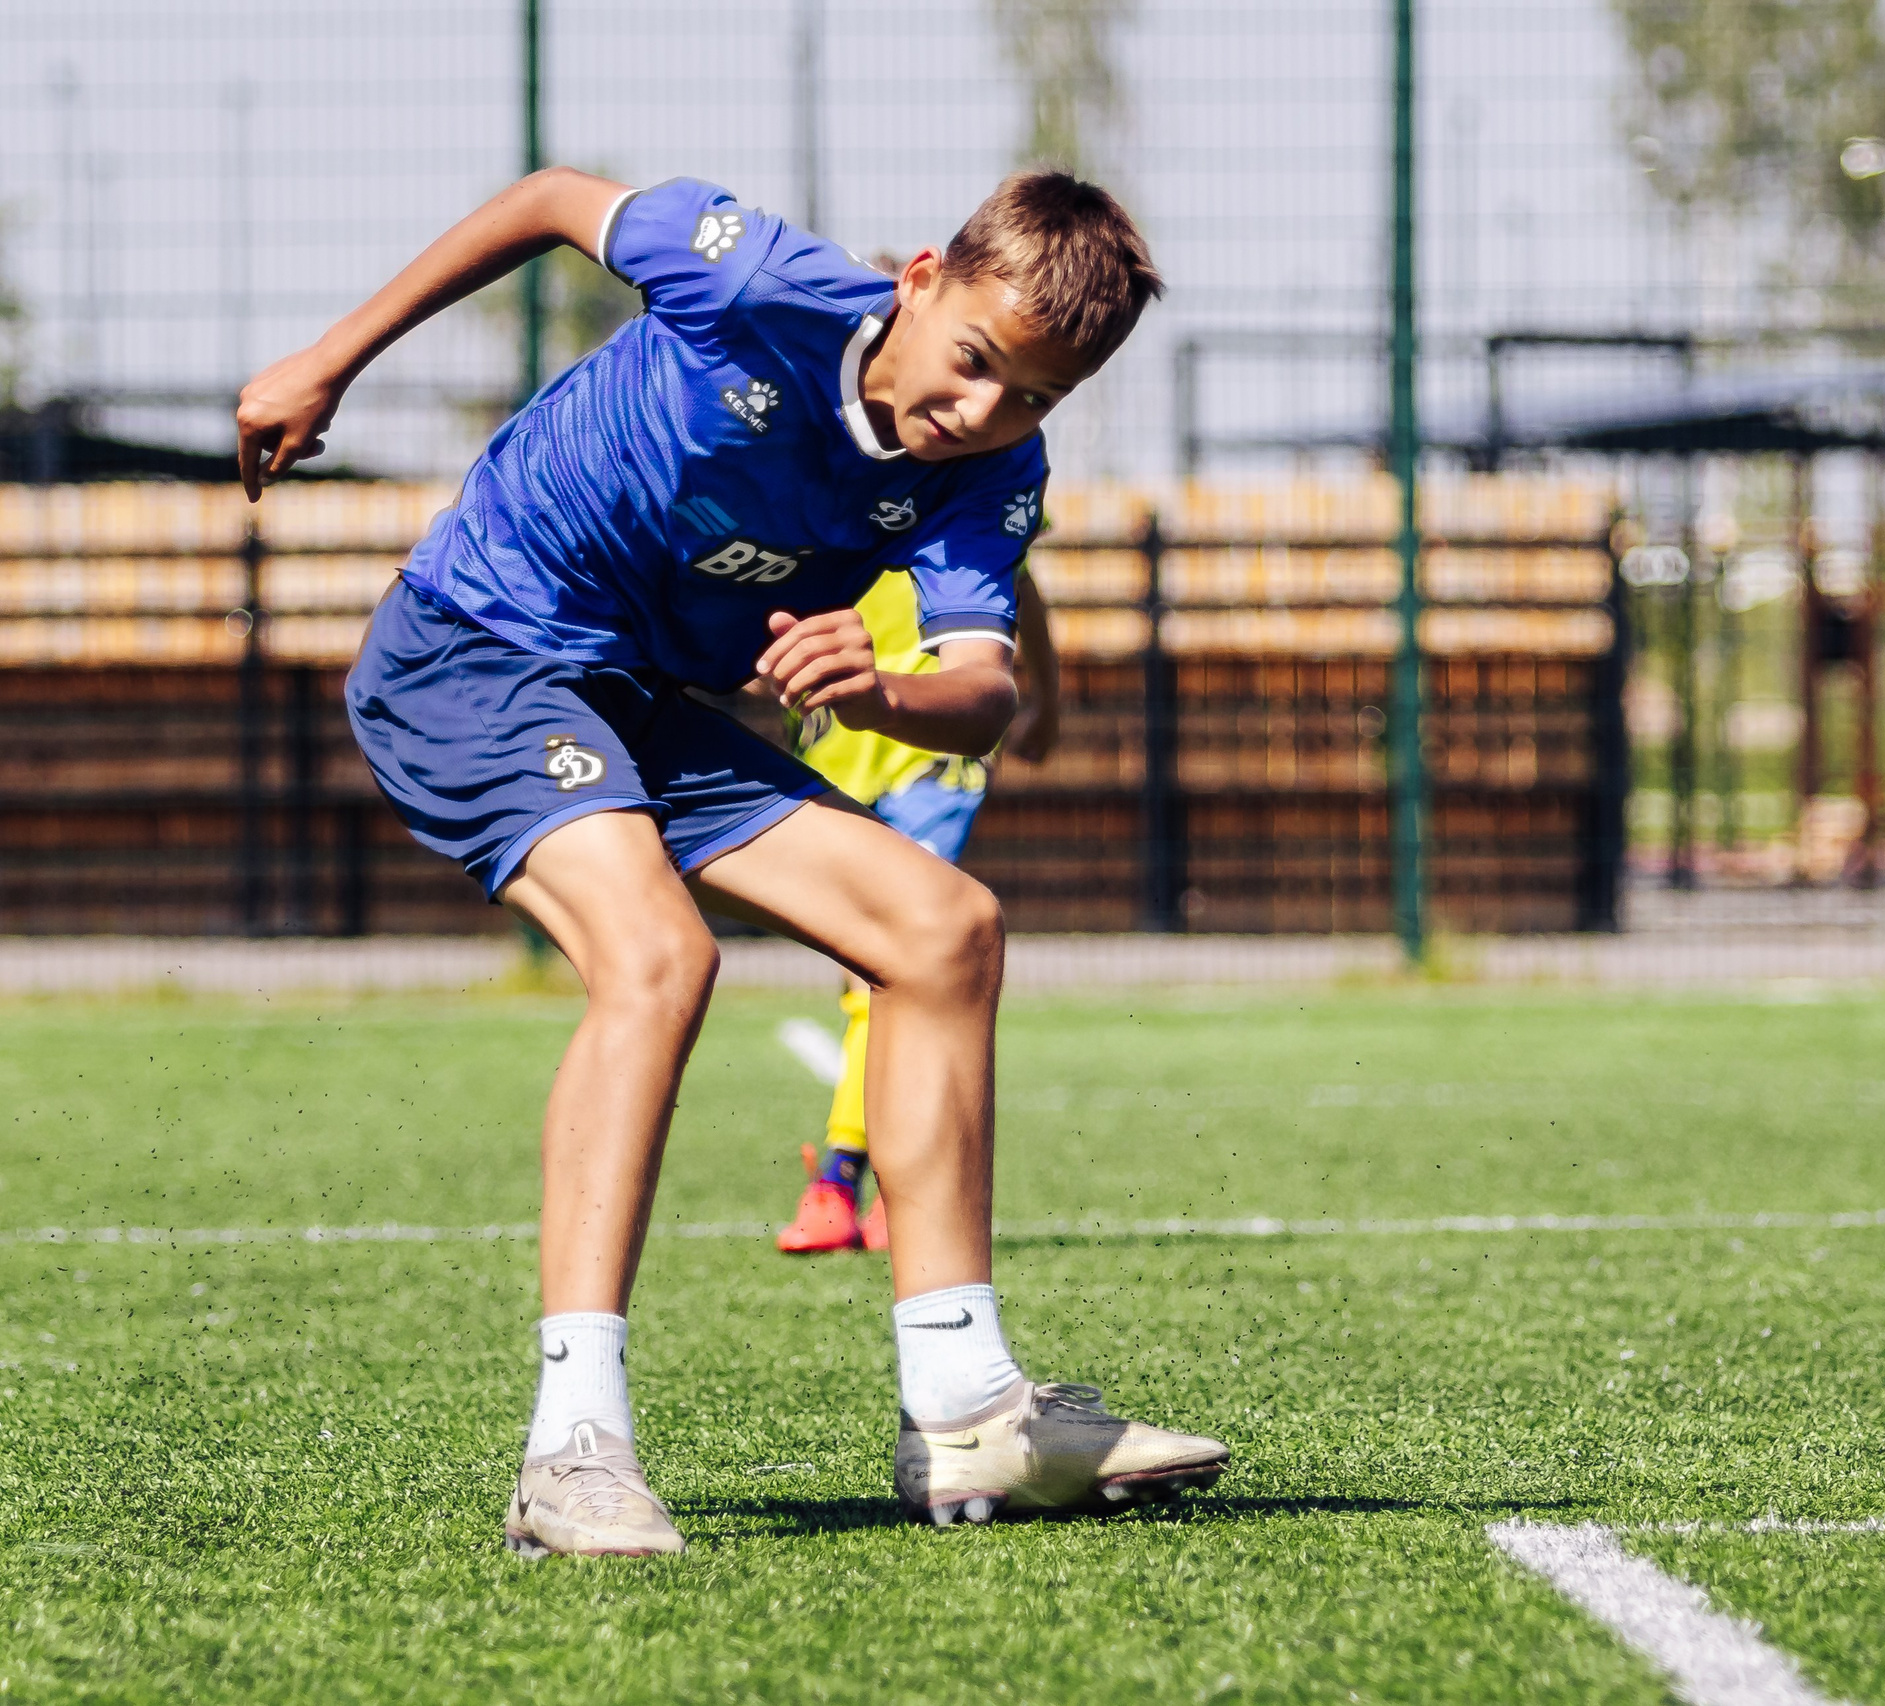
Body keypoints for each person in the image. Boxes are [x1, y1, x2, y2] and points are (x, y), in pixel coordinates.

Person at [237, 167, 1228, 1555]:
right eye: (978, 363)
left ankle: (964, 1407)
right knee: (658, 956)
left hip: (645, 699)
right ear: (922, 277)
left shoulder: (991, 468)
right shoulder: (747, 273)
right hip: (476, 649)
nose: (984, 412)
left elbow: (989, 690)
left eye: (1035, 399)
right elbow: (540, 201)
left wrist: (883, 689)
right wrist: (329, 361)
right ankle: (571, 1449)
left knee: (945, 927)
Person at [777, 566, 1059, 1256]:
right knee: (864, 967)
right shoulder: (809, 473)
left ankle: (845, 1185)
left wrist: (1048, 695)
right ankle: (879, 1191)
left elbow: (1019, 580)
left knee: (895, 956)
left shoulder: (983, 475)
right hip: (831, 741)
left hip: (936, 745)